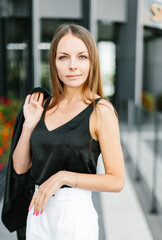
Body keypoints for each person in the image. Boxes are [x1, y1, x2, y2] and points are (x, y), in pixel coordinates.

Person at [2, 24, 125, 240]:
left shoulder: (100, 110)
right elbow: (20, 168)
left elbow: (116, 180)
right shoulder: (43, 106)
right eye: (63, 57)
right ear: (54, 62)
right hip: (38, 212)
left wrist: (64, 177)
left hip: (74, 216)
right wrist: (29, 124)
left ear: (92, 61)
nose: (72, 66)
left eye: (81, 57)